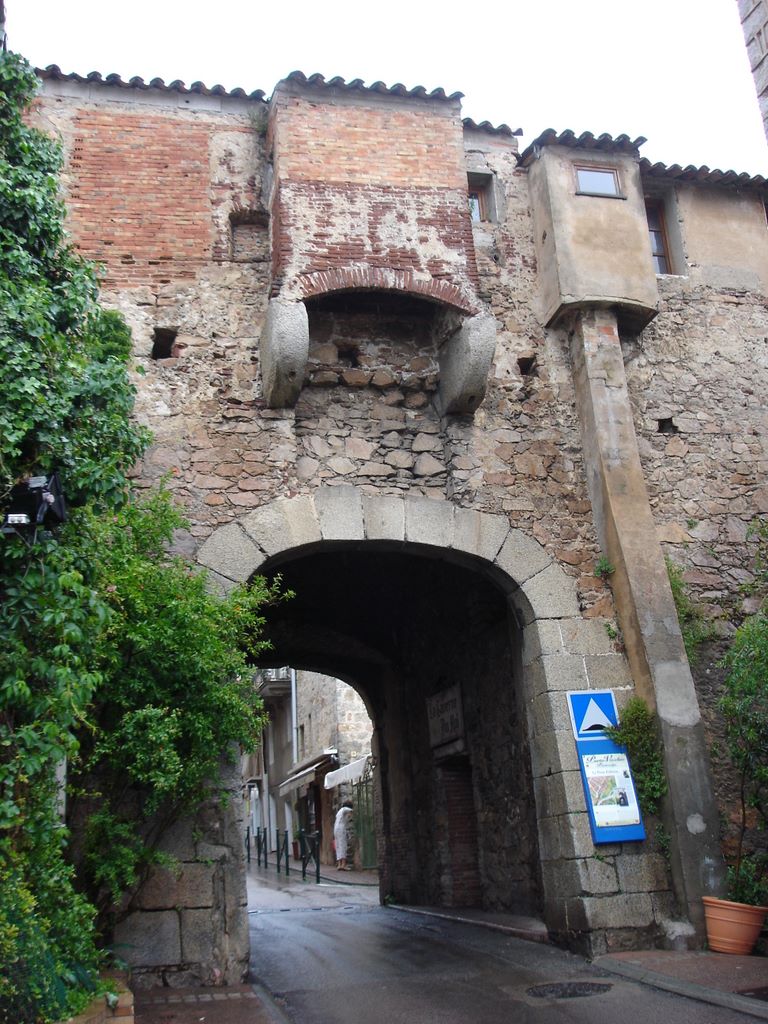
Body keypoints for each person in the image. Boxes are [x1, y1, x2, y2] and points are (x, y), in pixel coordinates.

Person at [333, 801, 354, 870]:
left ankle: (339, 864)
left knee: (338, 846)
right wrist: (352, 812)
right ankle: (343, 865)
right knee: (343, 845)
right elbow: (349, 810)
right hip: (341, 828)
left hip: (335, 829)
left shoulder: (339, 812)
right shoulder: (345, 809)